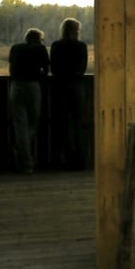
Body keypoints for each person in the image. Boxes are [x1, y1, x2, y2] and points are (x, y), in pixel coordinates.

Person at [9, 28, 49, 173]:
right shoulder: (40, 49)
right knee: (33, 121)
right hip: (32, 85)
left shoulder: (15, 48)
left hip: (16, 86)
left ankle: (24, 157)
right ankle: (26, 161)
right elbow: (46, 70)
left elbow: (11, 68)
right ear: (38, 39)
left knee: (20, 124)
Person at [50, 18, 88, 170]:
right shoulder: (81, 46)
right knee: (77, 124)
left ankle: (61, 159)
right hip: (77, 87)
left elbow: (53, 68)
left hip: (60, 88)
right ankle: (78, 161)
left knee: (62, 124)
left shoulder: (56, 46)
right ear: (75, 31)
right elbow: (83, 68)